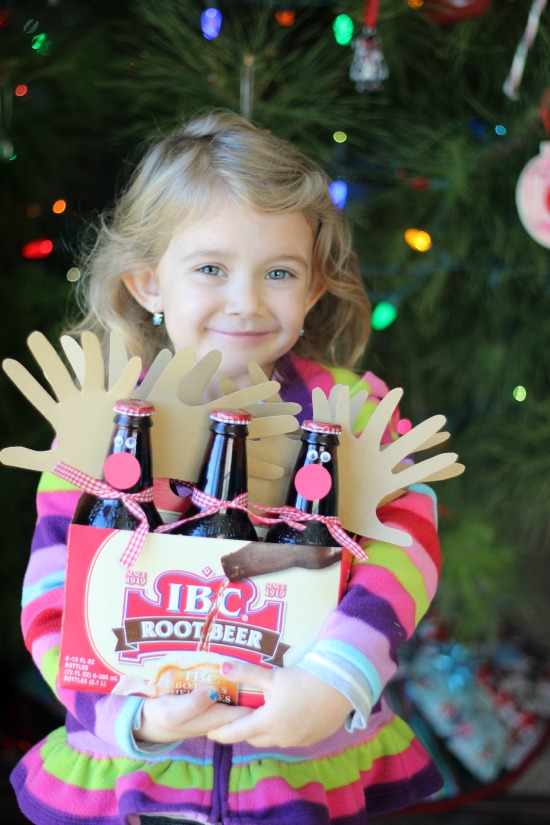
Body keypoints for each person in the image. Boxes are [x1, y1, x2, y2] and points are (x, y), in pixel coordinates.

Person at [11, 110, 443, 825]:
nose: (245, 300)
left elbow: (404, 549)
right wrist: (134, 715)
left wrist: (336, 681)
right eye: (211, 268)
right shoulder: (104, 429)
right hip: (138, 776)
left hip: (302, 762)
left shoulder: (351, 414)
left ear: (311, 289)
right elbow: (55, 597)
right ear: (150, 281)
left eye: (278, 272)